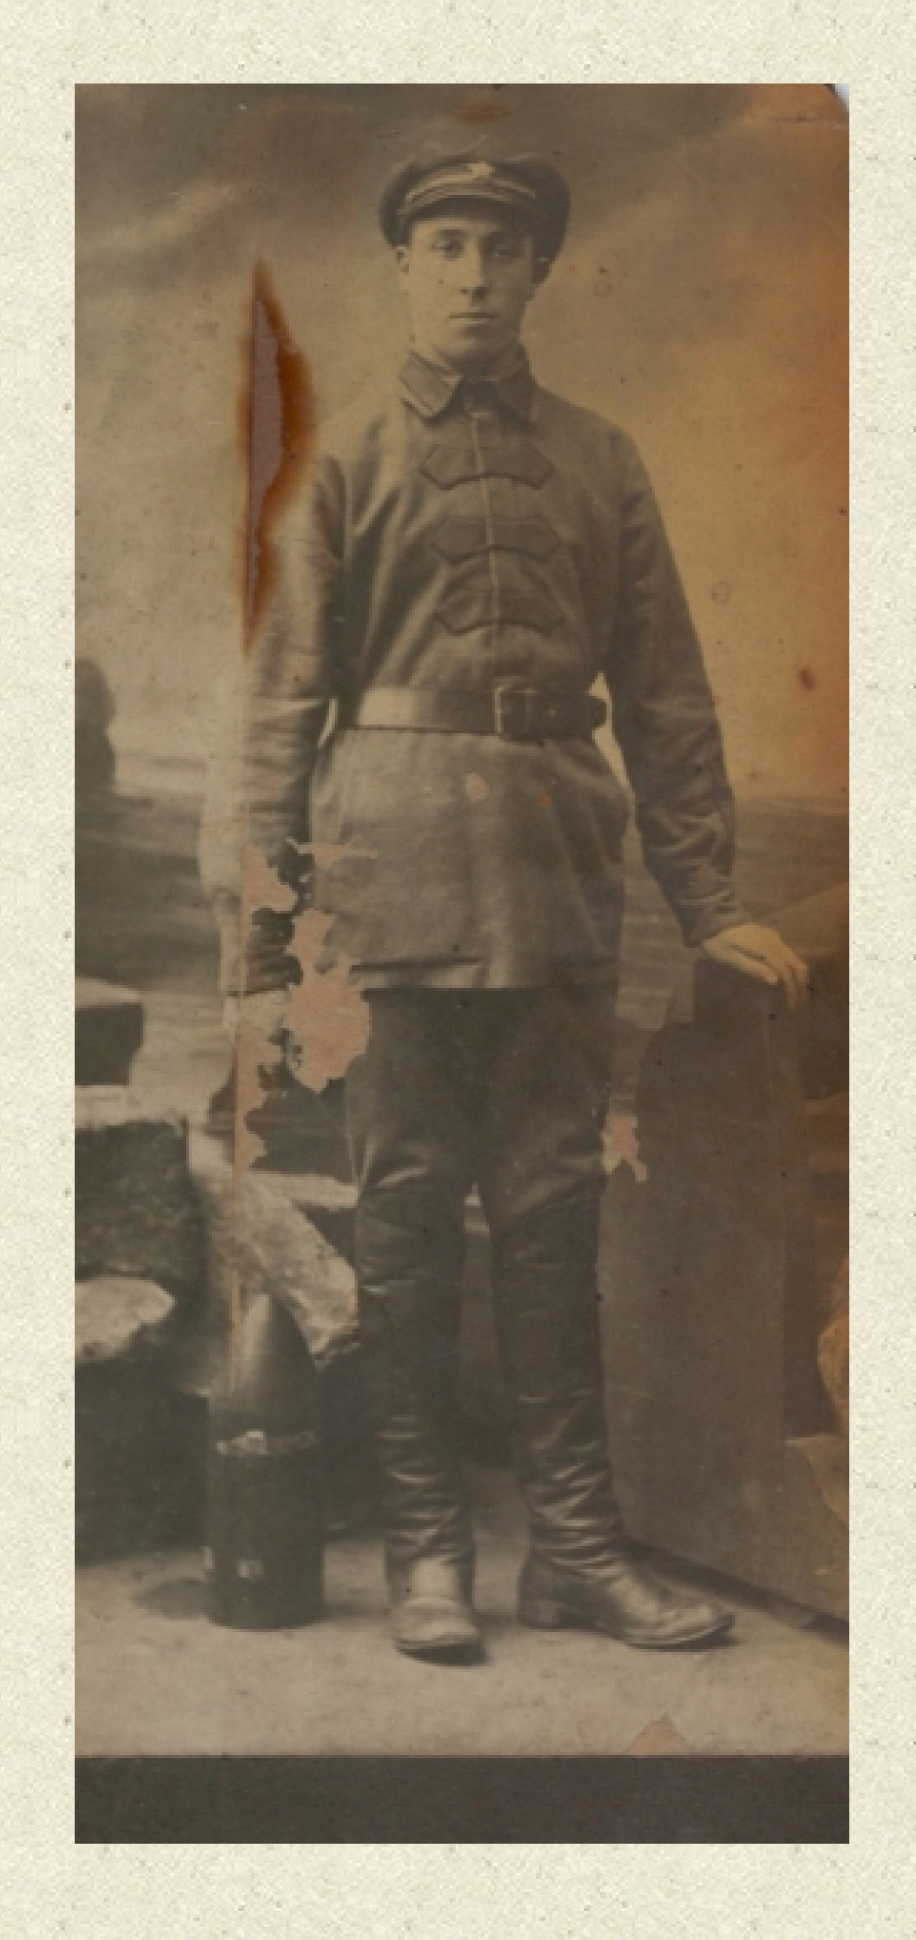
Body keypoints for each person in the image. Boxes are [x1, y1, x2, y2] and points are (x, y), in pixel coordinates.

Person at [201, 149, 808, 1663]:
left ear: (539, 271)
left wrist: (708, 898)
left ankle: (576, 1556)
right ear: (407, 267)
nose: (474, 274)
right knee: (407, 1220)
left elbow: (666, 692)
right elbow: (276, 713)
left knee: (552, 1216)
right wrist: (257, 942)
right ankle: (431, 1555)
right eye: (448, 246)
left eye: (501, 248)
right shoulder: (341, 462)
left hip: (556, 887)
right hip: (389, 887)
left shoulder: (604, 460)